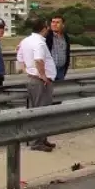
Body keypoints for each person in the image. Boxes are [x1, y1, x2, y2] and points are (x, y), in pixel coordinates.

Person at [18, 17, 56, 152]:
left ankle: (42, 139)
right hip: (40, 81)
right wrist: (43, 76)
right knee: (42, 112)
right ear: (44, 28)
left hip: (32, 78)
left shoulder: (25, 41)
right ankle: (37, 142)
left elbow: (20, 59)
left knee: (39, 110)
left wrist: (28, 71)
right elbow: (39, 60)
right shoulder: (39, 43)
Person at [45, 15, 71, 81]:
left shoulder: (66, 37)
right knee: (49, 90)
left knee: (59, 90)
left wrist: (65, 68)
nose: (54, 24)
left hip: (61, 70)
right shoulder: (47, 35)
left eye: (57, 22)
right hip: (49, 70)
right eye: (53, 22)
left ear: (63, 25)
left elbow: (67, 53)